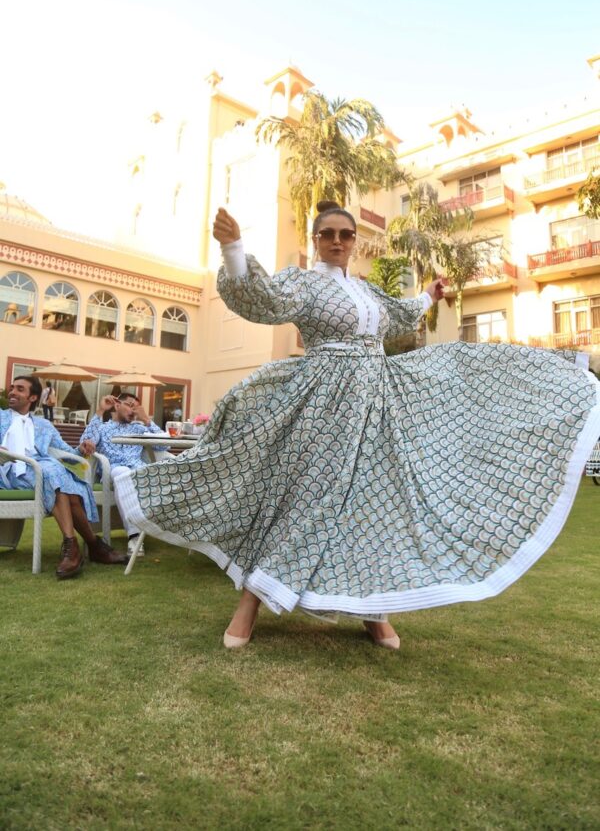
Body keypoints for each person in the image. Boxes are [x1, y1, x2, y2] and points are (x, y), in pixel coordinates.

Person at [114, 202, 600, 651]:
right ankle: (250, 605)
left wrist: (428, 296)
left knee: (374, 502)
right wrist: (234, 247)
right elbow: (257, 296)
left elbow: (400, 317)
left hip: (377, 403)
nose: (339, 241)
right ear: (316, 237)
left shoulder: (365, 289)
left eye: (346, 234)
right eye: (329, 233)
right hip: (325, 403)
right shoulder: (302, 283)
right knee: (301, 494)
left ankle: (373, 612)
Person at [0, 376, 128, 578]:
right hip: (12, 469)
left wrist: (82, 447)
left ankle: (73, 549)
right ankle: (93, 545)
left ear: (33, 397)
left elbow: (69, 453)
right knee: (56, 473)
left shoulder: (44, 425)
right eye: (12, 388)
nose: (13, 392)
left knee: (58, 477)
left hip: (43, 470)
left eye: (20, 389)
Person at [80, 393, 166, 557]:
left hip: (139, 470)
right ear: (117, 405)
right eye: (129, 405)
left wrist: (147, 420)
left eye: (136, 407)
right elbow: (85, 442)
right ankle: (134, 535)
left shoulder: (140, 429)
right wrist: (100, 410)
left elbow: (163, 446)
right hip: (113, 468)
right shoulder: (103, 427)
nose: (133, 410)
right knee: (123, 473)